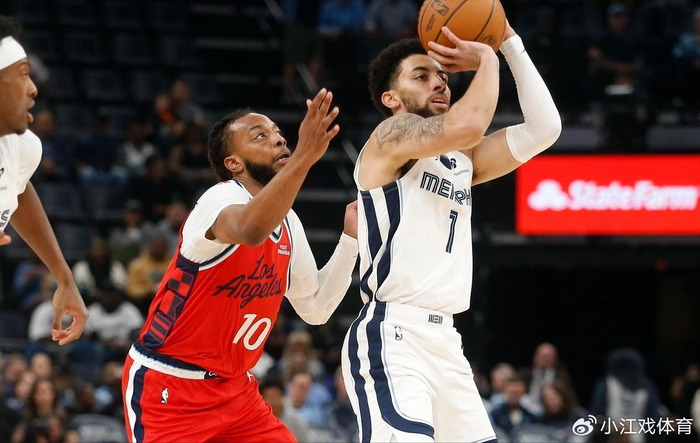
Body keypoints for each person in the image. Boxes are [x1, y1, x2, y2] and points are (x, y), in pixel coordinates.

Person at [342, 16, 561, 442]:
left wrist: (509, 41)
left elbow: (545, 129)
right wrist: (487, 60)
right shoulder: (389, 136)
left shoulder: (461, 160)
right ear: (390, 97)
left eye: (442, 76)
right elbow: (469, 125)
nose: (439, 83)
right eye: (421, 76)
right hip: (393, 335)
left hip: (446, 340)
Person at [121, 89, 359, 442]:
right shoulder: (219, 198)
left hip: (237, 392)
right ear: (234, 163)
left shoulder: (288, 221)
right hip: (171, 388)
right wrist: (304, 158)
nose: (278, 139)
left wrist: (350, 240)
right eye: (260, 136)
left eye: (278, 132)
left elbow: (315, 309)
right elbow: (249, 230)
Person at [0, 15, 87, 346]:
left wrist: (64, 278)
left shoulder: (23, 146)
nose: (33, 88)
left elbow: (19, 188)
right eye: (22, 75)